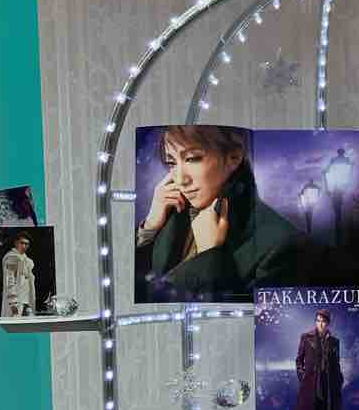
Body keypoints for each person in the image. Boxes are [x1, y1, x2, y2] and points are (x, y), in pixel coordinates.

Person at [135, 124, 317, 302]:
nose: (181, 179)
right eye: (171, 163)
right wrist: (150, 227)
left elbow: (242, 317)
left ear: (234, 157)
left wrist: (208, 257)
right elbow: (137, 292)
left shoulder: (283, 244)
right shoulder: (169, 211)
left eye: (192, 158)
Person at [294, 310, 343, 410]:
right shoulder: (306, 337)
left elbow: (336, 363)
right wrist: (303, 377)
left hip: (328, 381)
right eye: (318, 321)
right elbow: (299, 360)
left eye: (323, 321)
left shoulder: (335, 341)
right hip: (311, 381)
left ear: (328, 323)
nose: (320, 324)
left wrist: (339, 380)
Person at [1, 233, 37, 316]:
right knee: (15, 320)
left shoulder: (27, 260)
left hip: (27, 299)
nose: (24, 246)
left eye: (26, 244)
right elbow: (9, 279)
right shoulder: (12, 257)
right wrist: (13, 301)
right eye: (22, 243)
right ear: (16, 243)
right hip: (16, 300)